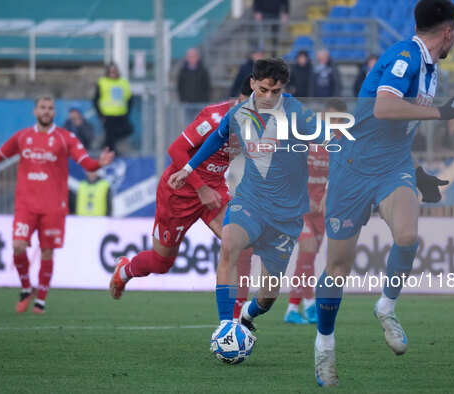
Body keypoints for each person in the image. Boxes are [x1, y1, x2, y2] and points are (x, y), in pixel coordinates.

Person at [314, 0, 454, 387]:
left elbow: (395, 131)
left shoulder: (429, 68)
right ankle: (325, 346)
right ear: (448, 32)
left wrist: (417, 173)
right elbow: (383, 109)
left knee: (408, 235)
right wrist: (442, 114)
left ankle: (386, 305)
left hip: (392, 167)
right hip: (351, 168)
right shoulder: (404, 56)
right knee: (338, 269)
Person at [167, 59, 330, 338]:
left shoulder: (298, 114)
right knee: (229, 244)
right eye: (264, 89)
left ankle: (246, 316)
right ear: (253, 83)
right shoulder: (239, 112)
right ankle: (225, 328)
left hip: (286, 213)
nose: (269, 97)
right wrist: (188, 168)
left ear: (284, 89)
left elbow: (331, 141)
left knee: (268, 295)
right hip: (250, 200)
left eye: (276, 91)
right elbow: (217, 139)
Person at [0, 96, 115, 314]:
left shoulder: (65, 138)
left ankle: (41, 301)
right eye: (42, 108)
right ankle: (27, 288)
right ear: (35, 112)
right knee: (18, 245)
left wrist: (98, 163)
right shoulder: (23, 137)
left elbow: (84, 160)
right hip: (26, 204)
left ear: (54, 113)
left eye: (50, 108)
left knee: (47, 252)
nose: (46, 111)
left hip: (54, 206)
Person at [109, 77, 254, 305]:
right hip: (179, 193)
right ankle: (125, 271)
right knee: (161, 263)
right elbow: (175, 150)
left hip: (214, 191)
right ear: (240, 99)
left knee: (239, 242)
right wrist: (201, 189)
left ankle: (235, 321)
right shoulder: (214, 118)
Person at [284, 98, 346, 325]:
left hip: (321, 211)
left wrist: (329, 197)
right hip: (300, 206)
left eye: (338, 120)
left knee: (308, 259)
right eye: (330, 119)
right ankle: (305, 305)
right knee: (308, 249)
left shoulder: (340, 146)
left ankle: (297, 307)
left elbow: (338, 177)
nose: (333, 124)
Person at [93, 63, 134, 152]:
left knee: (128, 130)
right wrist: (100, 115)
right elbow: (96, 100)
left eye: (115, 71)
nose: (113, 74)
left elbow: (129, 98)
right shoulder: (102, 82)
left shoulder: (123, 81)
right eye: (111, 72)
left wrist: (127, 113)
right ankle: (112, 154)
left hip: (121, 114)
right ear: (107, 72)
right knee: (110, 138)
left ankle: (105, 142)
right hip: (108, 114)